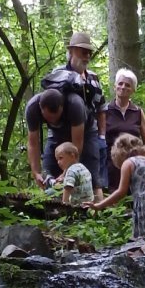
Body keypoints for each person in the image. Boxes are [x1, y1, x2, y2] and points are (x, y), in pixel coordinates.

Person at [42, 31, 106, 199]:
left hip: (88, 131)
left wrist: (102, 136)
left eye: (89, 52)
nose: (87, 56)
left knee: (93, 174)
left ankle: (99, 213)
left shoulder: (93, 78)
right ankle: (55, 211)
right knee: (51, 170)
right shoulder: (58, 73)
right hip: (60, 133)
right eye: (82, 51)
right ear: (71, 51)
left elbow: (101, 109)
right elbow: (49, 103)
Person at [25, 86, 87, 188]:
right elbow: (33, 143)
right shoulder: (32, 108)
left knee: (87, 174)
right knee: (47, 173)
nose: (53, 120)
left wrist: (67, 172)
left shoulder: (75, 105)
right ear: (41, 107)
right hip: (55, 134)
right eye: (49, 117)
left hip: (84, 132)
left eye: (56, 116)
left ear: (62, 107)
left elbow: (77, 146)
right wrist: (36, 172)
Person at [101, 68, 145, 191]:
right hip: (111, 164)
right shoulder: (105, 110)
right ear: (115, 86)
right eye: (120, 83)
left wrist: (143, 154)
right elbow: (99, 138)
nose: (123, 87)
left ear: (133, 90)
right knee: (113, 198)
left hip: (134, 164)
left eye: (127, 85)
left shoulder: (137, 112)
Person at [55, 142, 94, 206]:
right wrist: (64, 179)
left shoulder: (71, 171)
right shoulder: (82, 167)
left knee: (50, 192)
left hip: (77, 207)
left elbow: (67, 188)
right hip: (88, 204)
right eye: (57, 160)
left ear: (72, 156)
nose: (58, 162)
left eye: (61, 158)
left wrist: (64, 204)